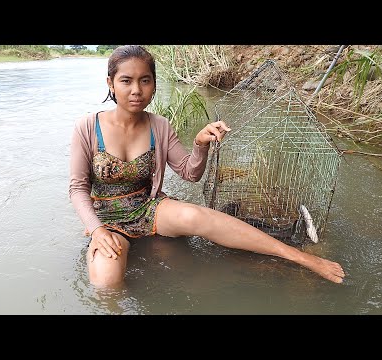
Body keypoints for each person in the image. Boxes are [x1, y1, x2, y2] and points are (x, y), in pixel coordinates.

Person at [69, 45, 345, 288]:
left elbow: (190, 174)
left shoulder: (159, 126)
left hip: (148, 207)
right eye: (126, 81)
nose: (136, 90)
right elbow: (78, 189)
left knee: (196, 216)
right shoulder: (88, 127)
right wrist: (96, 229)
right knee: (106, 283)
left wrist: (200, 143)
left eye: (145, 80)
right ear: (110, 83)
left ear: (154, 84)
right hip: (106, 219)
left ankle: (298, 256)